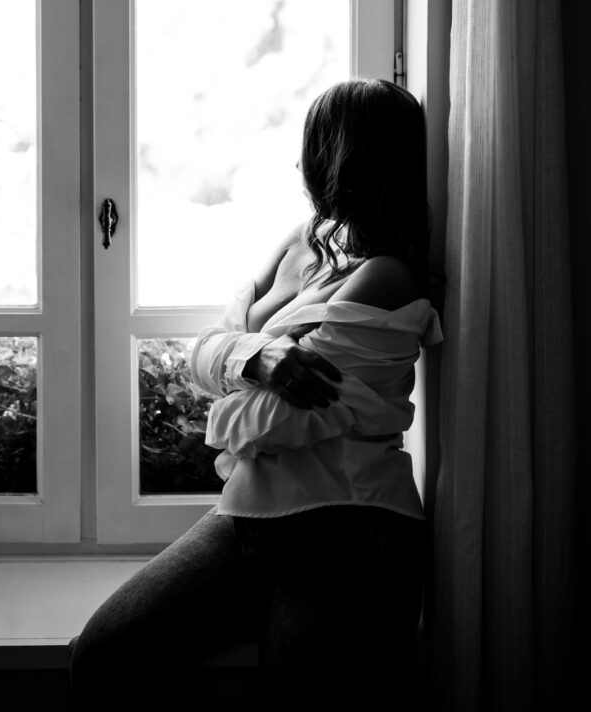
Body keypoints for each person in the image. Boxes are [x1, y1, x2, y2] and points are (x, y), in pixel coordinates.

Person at [69, 77, 442, 711]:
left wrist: (231, 364)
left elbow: (264, 422)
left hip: (347, 529)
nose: (300, 165)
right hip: (249, 515)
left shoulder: (386, 278)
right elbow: (202, 351)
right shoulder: (306, 239)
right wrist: (256, 355)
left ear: (345, 158)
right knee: (103, 654)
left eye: (313, 146)